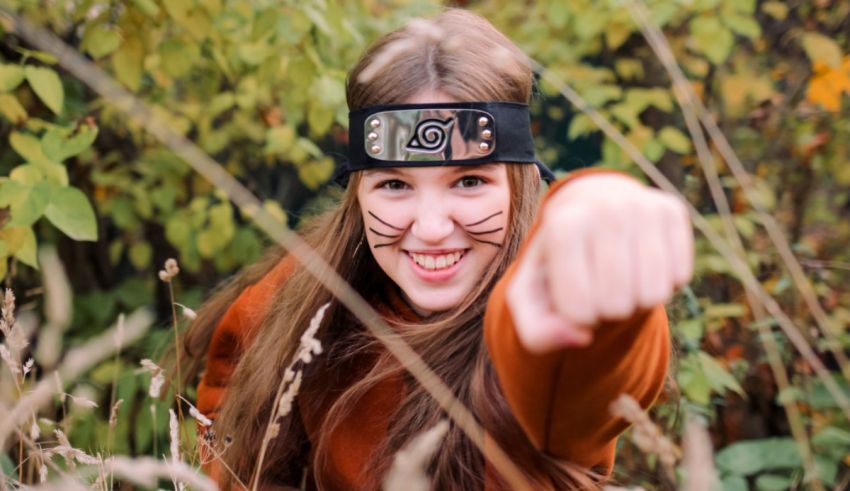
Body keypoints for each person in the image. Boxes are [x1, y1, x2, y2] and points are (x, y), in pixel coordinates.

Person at [181, 8, 692, 490]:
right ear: (357, 194)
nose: (429, 228)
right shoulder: (311, 287)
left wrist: (598, 219)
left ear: (524, 185)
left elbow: (592, 355)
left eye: (468, 181)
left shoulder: (539, 311)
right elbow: (230, 406)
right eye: (395, 185)